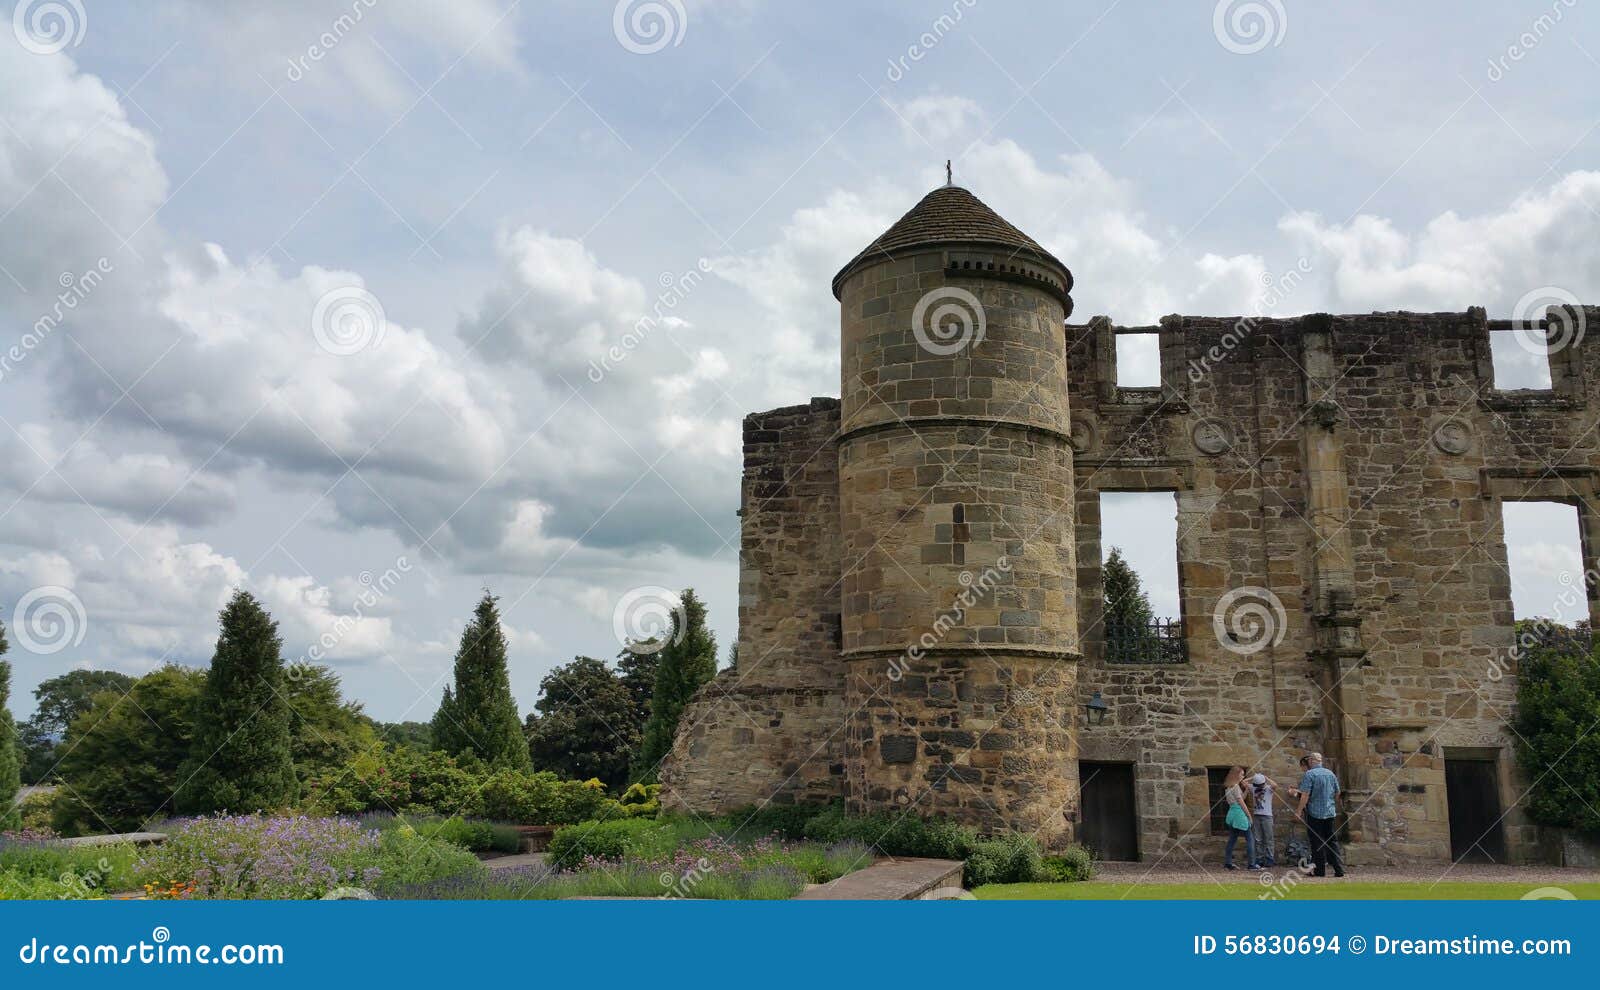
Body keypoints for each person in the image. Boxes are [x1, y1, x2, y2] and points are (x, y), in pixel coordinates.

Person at [1294, 752, 1345, 878]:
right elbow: (1337, 793)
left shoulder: (1310, 774)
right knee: (1332, 841)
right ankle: (1339, 869)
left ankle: (1320, 870)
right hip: (1329, 813)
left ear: (1311, 761)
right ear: (1320, 761)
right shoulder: (1330, 774)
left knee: (1317, 842)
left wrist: (1298, 811)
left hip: (1314, 813)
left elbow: (1305, 795)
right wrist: (1335, 805)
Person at [1221, 765, 1258, 870]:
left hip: (1232, 814)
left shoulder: (1228, 787)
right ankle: (1252, 864)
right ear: (1236, 774)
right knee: (1250, 839)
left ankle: (1228, 863)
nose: (1243, 776)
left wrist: (1246, 789)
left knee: (1232, 840)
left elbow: (1240, 798)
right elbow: (1242, 803)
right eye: (1241, 774)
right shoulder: (1236, 787)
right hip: (1239, 814)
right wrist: (1249, 816)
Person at [1249, 771, 1283, 867]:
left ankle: (1269, 858)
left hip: (1267, 816)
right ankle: (1259, 858)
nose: (1259, 786)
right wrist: (1254, 777)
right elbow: (1243, 782)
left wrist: (1266, 777)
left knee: (1269, 838)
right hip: (1256, 815)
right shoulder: (1253, 788)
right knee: (1258, 839)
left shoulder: (1268, 789)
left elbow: (1275, 785)